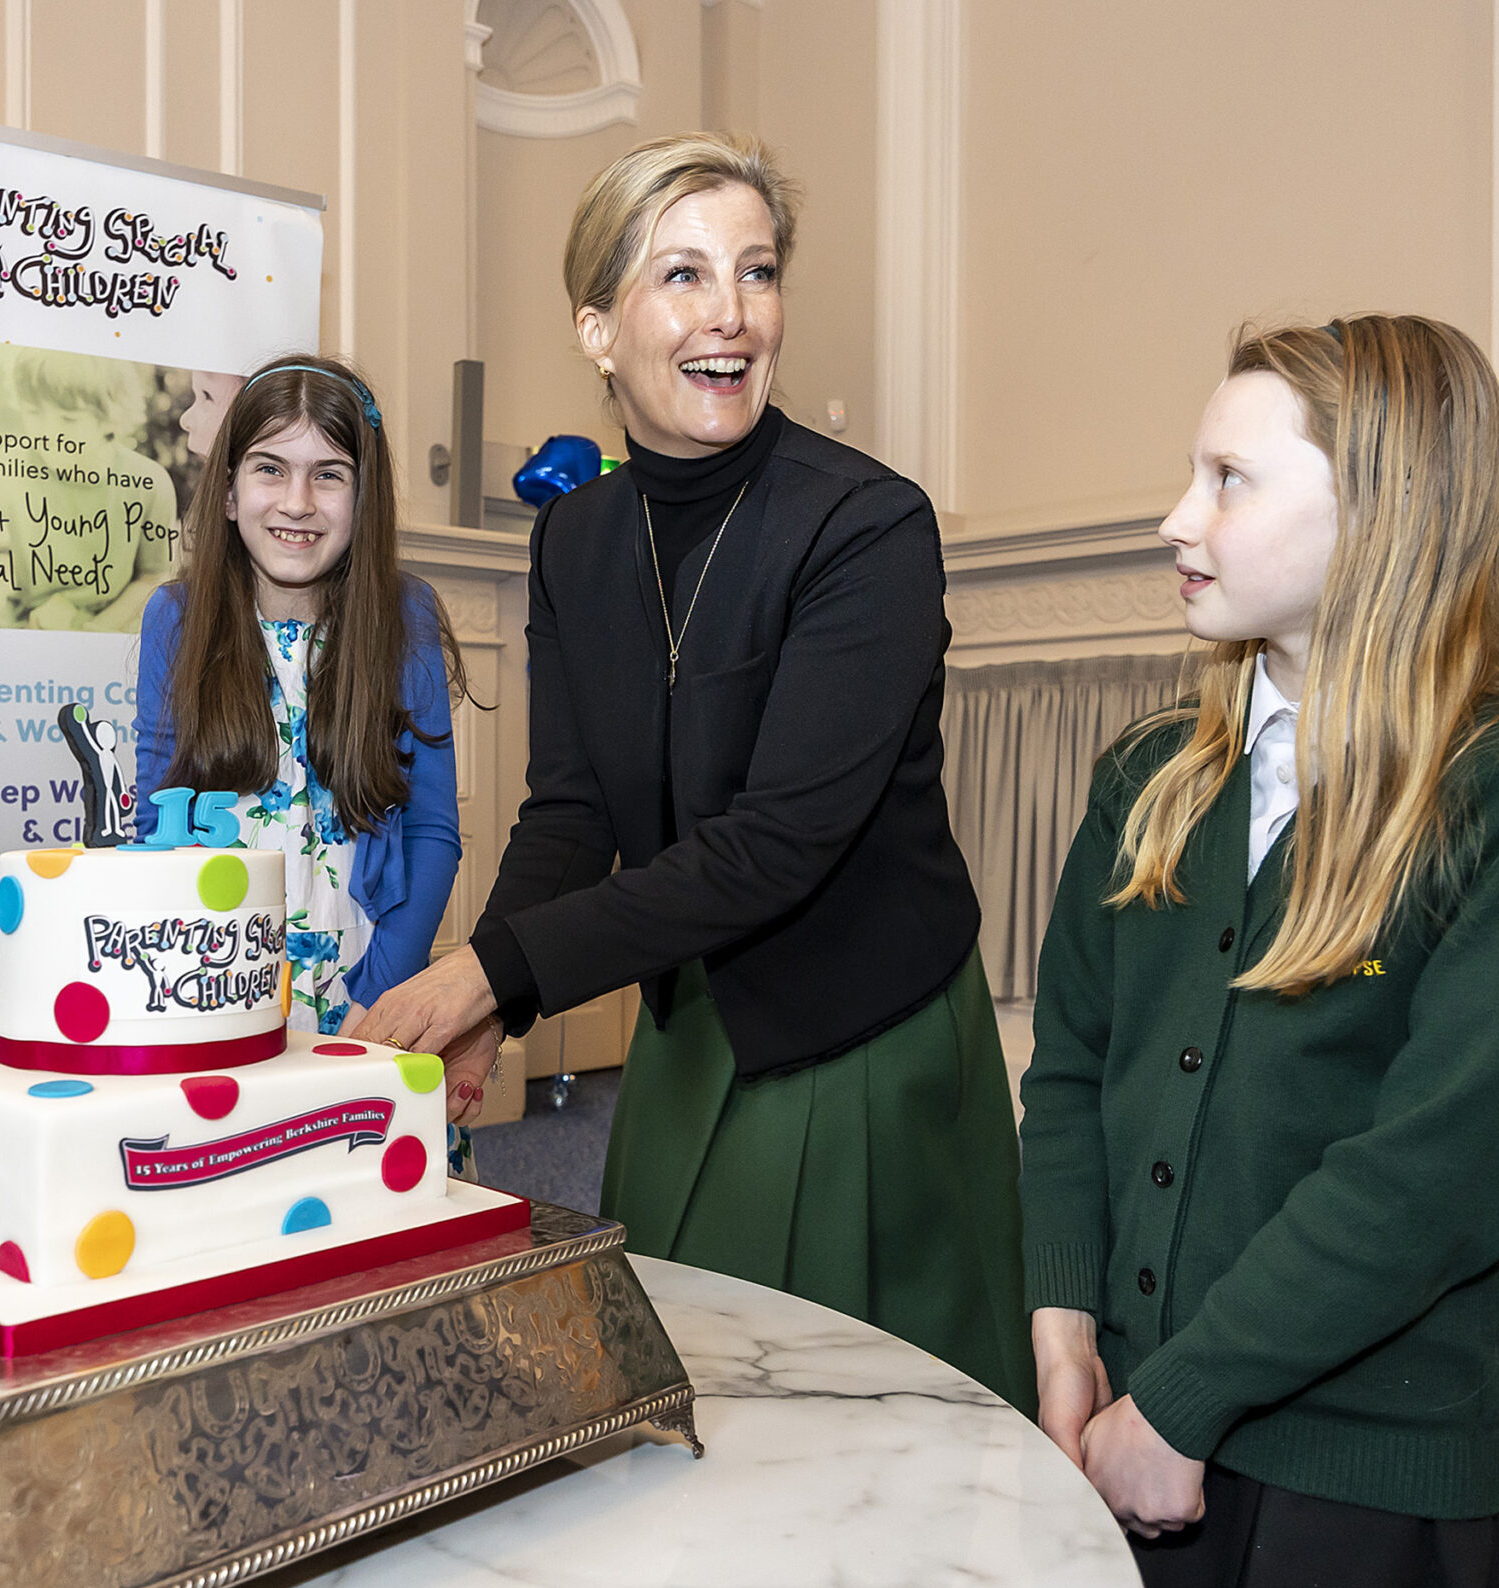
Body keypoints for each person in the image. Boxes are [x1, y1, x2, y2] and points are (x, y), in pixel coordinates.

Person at [353, 133, 1032, 1409]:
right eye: (683, 275)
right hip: (690, 1009)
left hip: (857, 1034)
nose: (731, 314)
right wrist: (492, 995)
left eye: (757, 272)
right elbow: (574, 807)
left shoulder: (867, 527)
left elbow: (774, 846)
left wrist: (483, 972)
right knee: (685, 1380)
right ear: (599, 326)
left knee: (860, 1415)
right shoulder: (577, 536)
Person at [1021, 315, 1499, 1588]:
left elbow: (1443, 1169)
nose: (1176, 516)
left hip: (1354, 1472)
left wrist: (1184, 1401)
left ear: (1382, 516)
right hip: (1119, 1415)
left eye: (1228, 479)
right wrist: (1067, 1331)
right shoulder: (1148, 777)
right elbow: (1071, 1068)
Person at [133, 355, 473, 1154]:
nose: (296, 502)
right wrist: (217, 1000)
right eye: (269, 469)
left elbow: (432, 835)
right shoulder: (175, 619)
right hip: (224, 996)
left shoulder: (408, 617)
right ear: (226, 489)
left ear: (365, 496)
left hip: (368, 991)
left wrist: (378, 999)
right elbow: (157, 819)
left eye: (329, 474)